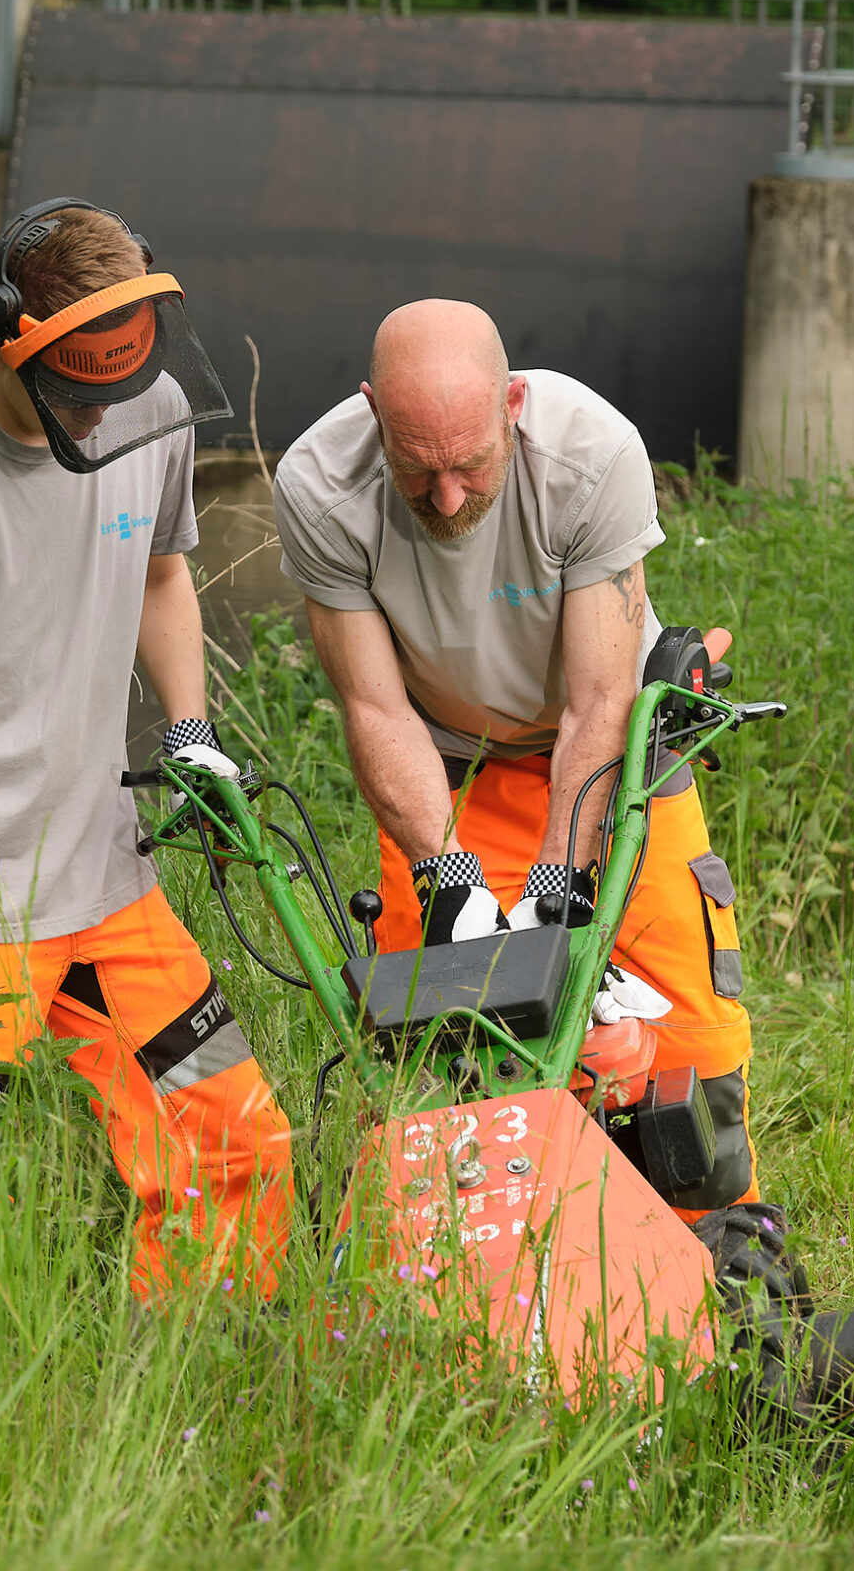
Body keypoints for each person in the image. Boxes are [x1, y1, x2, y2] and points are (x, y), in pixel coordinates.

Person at [0, 198, 291, 1299]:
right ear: (6, 338)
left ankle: (192, 1369)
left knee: (237, 1144)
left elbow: (163, 574)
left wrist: (190, 731)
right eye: (77, 394)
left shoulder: (145, 401)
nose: (100, 416)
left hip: (107, 886)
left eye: (115, 391)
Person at [271, 299, 758, 1218]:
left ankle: (720, 1271)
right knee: (457, 1046)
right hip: (447, 769)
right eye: (418, 470)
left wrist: (560, 882)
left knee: (688, 1026)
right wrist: (447, 878)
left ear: (514, 404)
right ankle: (495, 1297)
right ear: (372, 413)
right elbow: (374, 707)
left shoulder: (592, 459)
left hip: (608, 765)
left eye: (470, 465)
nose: (447, 498)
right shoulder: (317, 487)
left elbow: (600, 701)